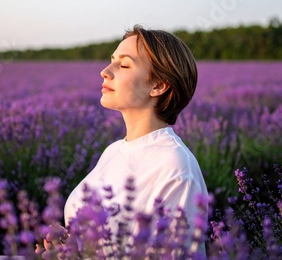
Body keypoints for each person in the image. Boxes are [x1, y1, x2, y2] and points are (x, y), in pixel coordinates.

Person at [63, 25, 208, 256]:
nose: (105, 71)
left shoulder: (175, 166)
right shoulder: (113, 151)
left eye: (123, 65)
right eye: (111, 60)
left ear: (158, 85)